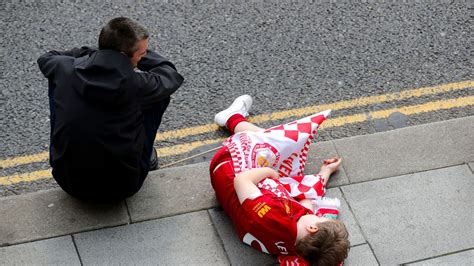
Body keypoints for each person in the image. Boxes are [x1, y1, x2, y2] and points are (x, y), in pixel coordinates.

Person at [37, 17, 184, 201]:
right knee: (160, 95)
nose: (143, 57)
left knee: (57, 78)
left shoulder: (66, 69)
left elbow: (46, 58)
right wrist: (118, 56)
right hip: (124, 187)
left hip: (67, 181)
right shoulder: (138, 85)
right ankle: (144, 154)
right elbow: (170, 74)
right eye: (142, 53)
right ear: (124, 54)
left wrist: (98, 53)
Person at [210, 95, 350, 265]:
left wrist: (270, 172)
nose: (317, 213)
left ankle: (231, 118)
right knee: (301, 186)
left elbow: (242, 180)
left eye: (320, 218)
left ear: (312, 228)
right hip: (241, 195)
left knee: (273, 140)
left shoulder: (271, 215)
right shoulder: (295, 246)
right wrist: (325, 172)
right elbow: (307, 202)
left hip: (228, 167)